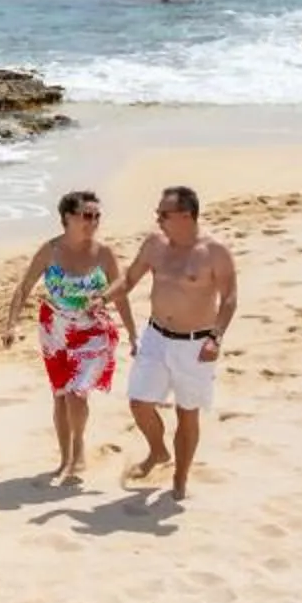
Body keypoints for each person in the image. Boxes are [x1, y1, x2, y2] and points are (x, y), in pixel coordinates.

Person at [1, 189, 131, 483]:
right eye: (87, 215)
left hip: (91, 333)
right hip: (55, 331)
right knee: (60, 396)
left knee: (76, 393)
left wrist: (134, 336)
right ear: (67, 218)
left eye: (97, 216)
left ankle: (79, 446)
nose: (94, 221)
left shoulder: (104, 253)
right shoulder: (50, 251)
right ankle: (65, 458)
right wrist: (11, 324)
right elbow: (24, 287)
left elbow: (120, 294)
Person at [118, 184, 239, 502]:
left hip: (196, 344)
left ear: (186, 215)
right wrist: (102, 298)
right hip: (157, 336)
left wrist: (216, 338)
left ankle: (180, 476)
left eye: (164, 214)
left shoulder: (215, 252)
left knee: (188, 414)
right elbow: (129, 279)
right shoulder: (155, 244)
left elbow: (229, 299)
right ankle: (158, 452)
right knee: (139, 402)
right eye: (158, 213)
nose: (157, 219)